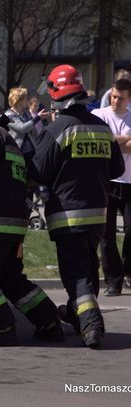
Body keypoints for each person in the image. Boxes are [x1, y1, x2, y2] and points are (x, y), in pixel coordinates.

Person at [24, 64, 125, 348]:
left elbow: (38, 171)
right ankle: (75, 313)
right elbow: (116, 167)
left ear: (57, 93)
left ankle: (92, 324)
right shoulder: (101, 126)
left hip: (68, 215)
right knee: (88, 266)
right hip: (97, 215)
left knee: (76, 273)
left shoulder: (59, 127)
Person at [0, 98, 63, 345]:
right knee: (11, 279)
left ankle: (1, 327)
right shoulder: (13, 144)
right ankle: (49, 321)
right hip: (13, 226)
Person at [91, 78, 131, 296]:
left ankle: (128, 271)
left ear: (129, 98)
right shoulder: (100, 115)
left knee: (130, 230)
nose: (116, 101)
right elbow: (102, 142)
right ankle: (113, 280)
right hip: (107, 181)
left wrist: (113, 140)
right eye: (114, 96)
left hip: (130, 182)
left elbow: (111, 143)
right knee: (106, 235)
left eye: (121, 98)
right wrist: (124, 140)